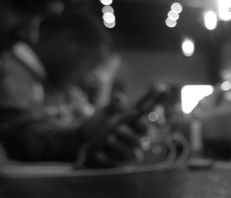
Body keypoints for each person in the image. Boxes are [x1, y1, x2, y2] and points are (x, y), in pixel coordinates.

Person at [0, 0, 147, 168]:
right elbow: (22, 136)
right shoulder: (11, 68)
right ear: (70, 42)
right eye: (90, 64)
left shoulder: (56, 84)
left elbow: (22, 131)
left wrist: (90, 134)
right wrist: (83, 136)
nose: (87, 77)